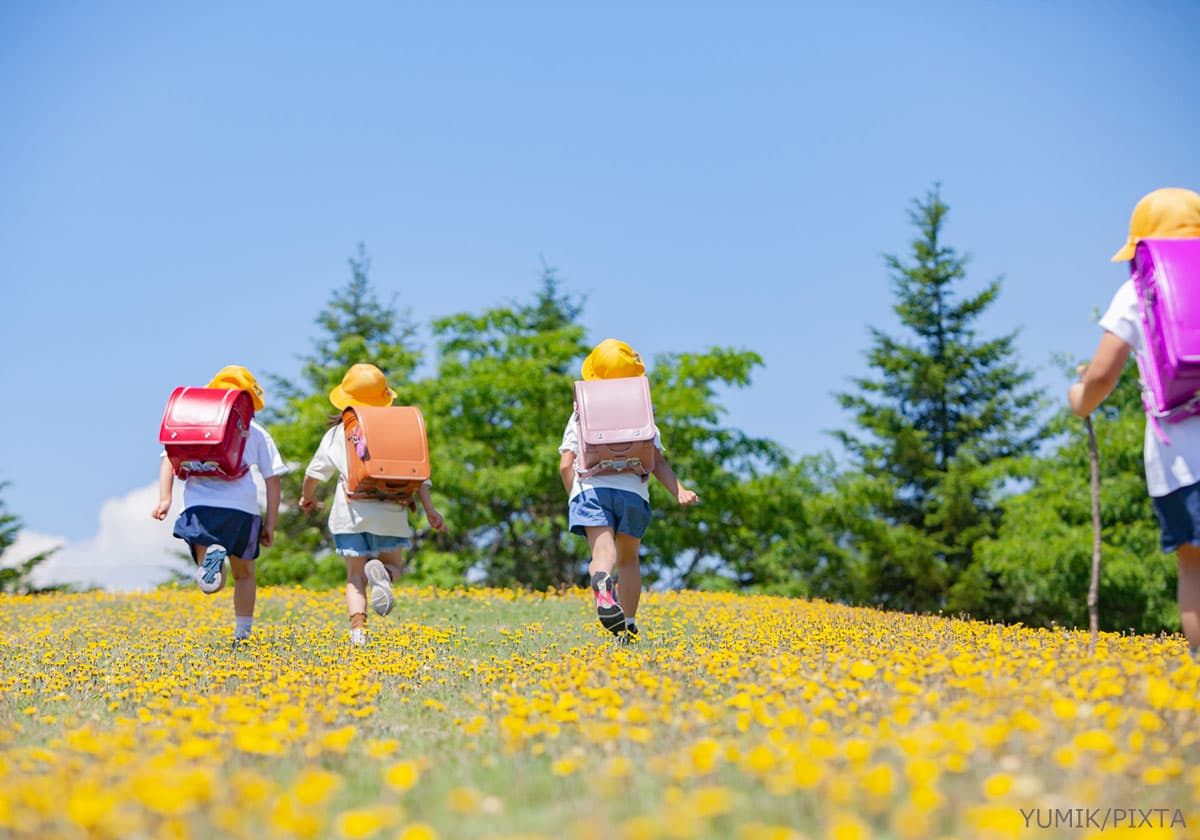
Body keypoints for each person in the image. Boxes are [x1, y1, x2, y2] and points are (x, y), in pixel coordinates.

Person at [1069, 187, 1200, 658]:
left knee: (1194, 567)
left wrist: (1079, 399)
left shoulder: (1140, 288)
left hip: (1182, 460)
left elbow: (1102, 375)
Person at [559, 339, 699, 640]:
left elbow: (564, 464)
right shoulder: (641, 413)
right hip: (633, 494)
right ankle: (630, 626)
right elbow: (656, 461)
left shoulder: (581, 412)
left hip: (591, 488)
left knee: (603, 551)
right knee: (629, 559)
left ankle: (602, 580)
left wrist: (576, 494)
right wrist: (680, 490)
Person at [299, 363, 446, 647]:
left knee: (354, 577)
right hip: (391, 511)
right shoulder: (400, 428)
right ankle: (383, 575)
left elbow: (313, 474)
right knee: (394, 568)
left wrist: (308, 498)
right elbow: (420, 476)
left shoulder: (337, 433)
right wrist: (430, 510)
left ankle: (358, 634)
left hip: (351, 512)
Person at [153, 365, 284, 643]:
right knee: (245, 574)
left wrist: (165, 499)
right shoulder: (255, 430)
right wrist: (270, 522)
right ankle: (243, 634)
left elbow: (168, 457)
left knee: (211, 580)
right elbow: (273, 479)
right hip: (242, 510)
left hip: (200, 508)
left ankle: (211, 557)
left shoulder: (195, 423)